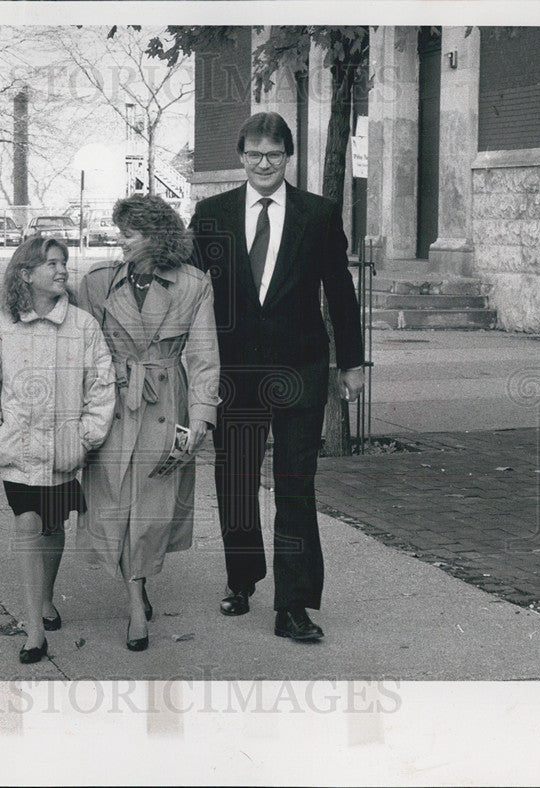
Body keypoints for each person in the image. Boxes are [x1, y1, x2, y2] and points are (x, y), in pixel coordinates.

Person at [188, 111, 365, 642]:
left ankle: (293, 605)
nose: (264, 164)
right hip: (235, 374)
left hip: (300, 370)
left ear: (288, 157)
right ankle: (241, 579)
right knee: (236, 483)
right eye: (254, 155)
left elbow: (341, 292)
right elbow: (193, 294)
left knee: (296, 487)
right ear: (241, 157)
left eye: (274, 155)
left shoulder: (317, 213)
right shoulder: (211, 214)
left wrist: (351, 364)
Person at [78, 194, 220, 652]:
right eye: (120, 233)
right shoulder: (98, 283)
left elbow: (203, 358)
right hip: (113, 403)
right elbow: (77, 348)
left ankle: (137, 588)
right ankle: (136, 600)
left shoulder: (194, 284)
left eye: (129, 234)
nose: (120, 242)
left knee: (153, 510)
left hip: (166, 404)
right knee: (114, 503)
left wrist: (201, 417)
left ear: (156, 238)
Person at [0, 236, 115, 664]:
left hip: (65, 452)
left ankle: (46, 599)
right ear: (26, 273)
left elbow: (102, 388)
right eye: (51, 263)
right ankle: (34, 630)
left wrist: (86, 437)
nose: (62, 269)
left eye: (64, 262)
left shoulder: (83, 326)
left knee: (53, 527)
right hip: (19, 452)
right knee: (28, 525)